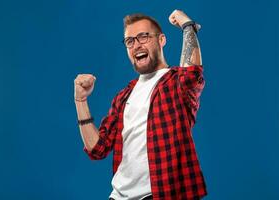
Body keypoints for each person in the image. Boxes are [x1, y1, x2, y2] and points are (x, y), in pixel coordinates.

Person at [74, 9, 207, 200]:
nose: (136, 45)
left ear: (161, 40)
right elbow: (97, 148)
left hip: (162, 194)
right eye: (130, 41)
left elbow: (192, 73)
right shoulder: (124, 96)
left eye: (143, 37)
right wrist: (81, 101)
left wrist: (188, 26)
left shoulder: (176, 82)